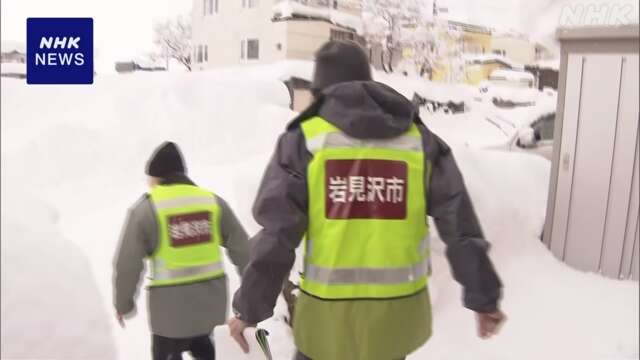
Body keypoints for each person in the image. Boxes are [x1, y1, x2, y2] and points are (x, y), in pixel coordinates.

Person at [228, 40, 505, 360]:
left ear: (320, 91)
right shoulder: (419, 141)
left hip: (326, 324)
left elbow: (277, 236)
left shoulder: (304, 141)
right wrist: (484, 298)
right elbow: (460, 226)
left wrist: (248, 309)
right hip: (396, 322)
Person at [114, 141, 249, 360]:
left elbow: (127, 263)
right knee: (206, 349)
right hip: (211, 310)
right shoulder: (211, 202)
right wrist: (254, 299)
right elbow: (245, 251)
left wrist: (123, 304)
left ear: (157, 177)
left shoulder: (146, 209)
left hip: (169, 317)